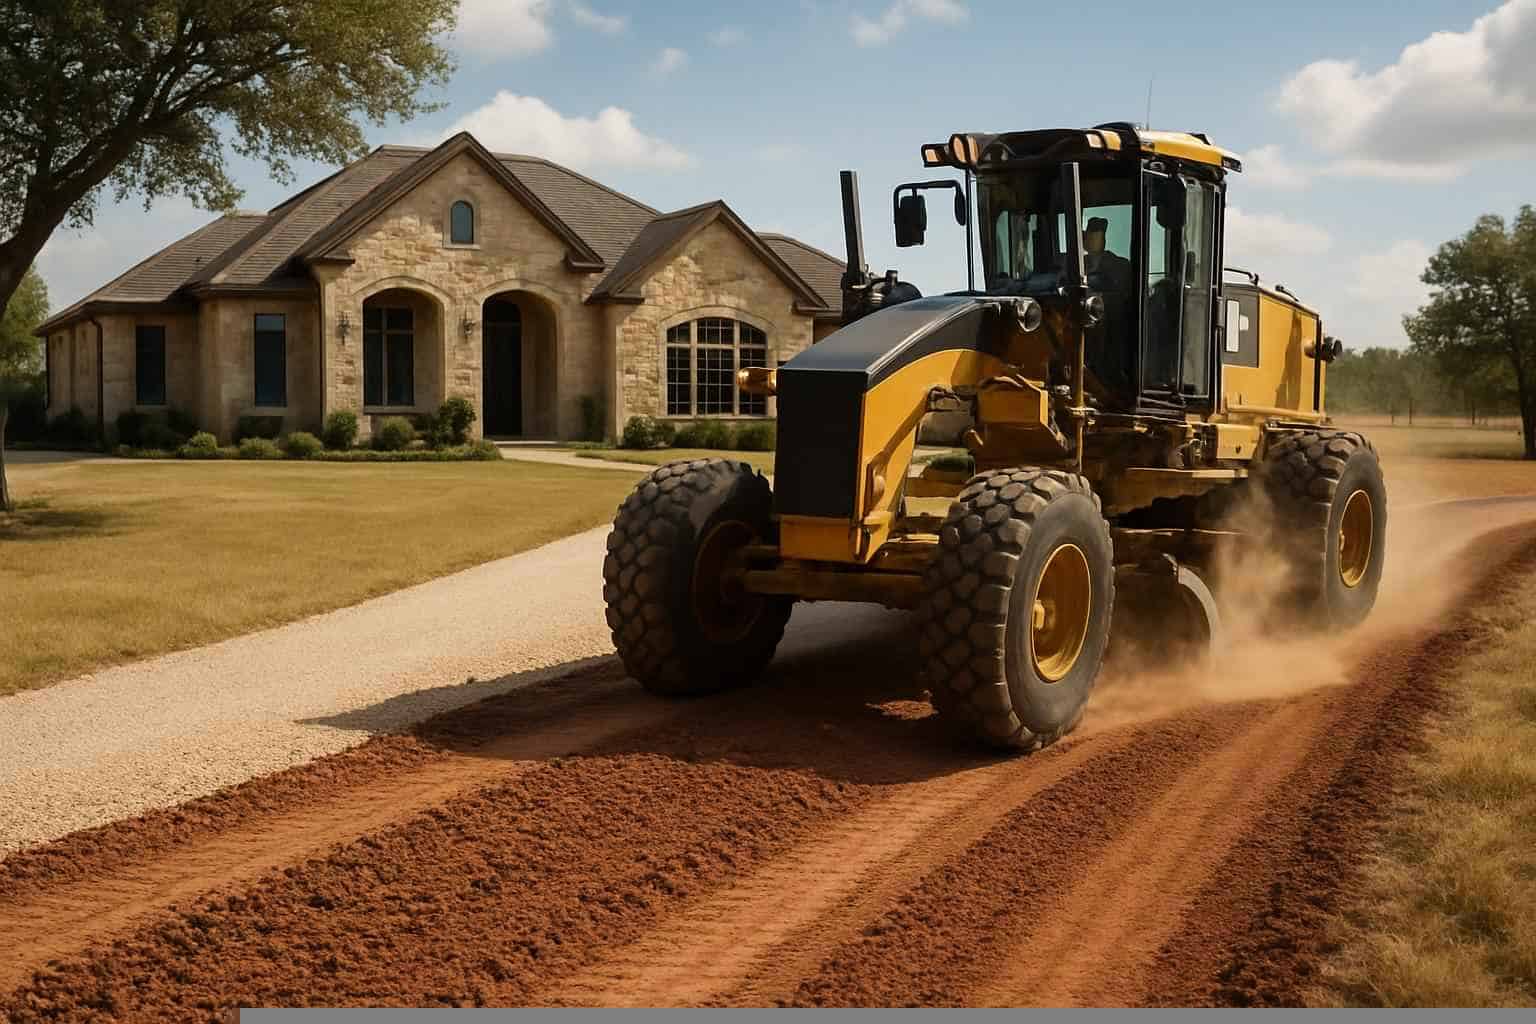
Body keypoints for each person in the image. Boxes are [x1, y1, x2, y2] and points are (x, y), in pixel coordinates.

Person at [1082, 216, 1132, 292]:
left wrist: (1100, 297)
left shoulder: (1121, 265)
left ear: (1103, 239)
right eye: (1087, 237)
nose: (1090, 241)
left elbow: (1125, 295)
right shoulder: (1078, 262)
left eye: (1094, 236)